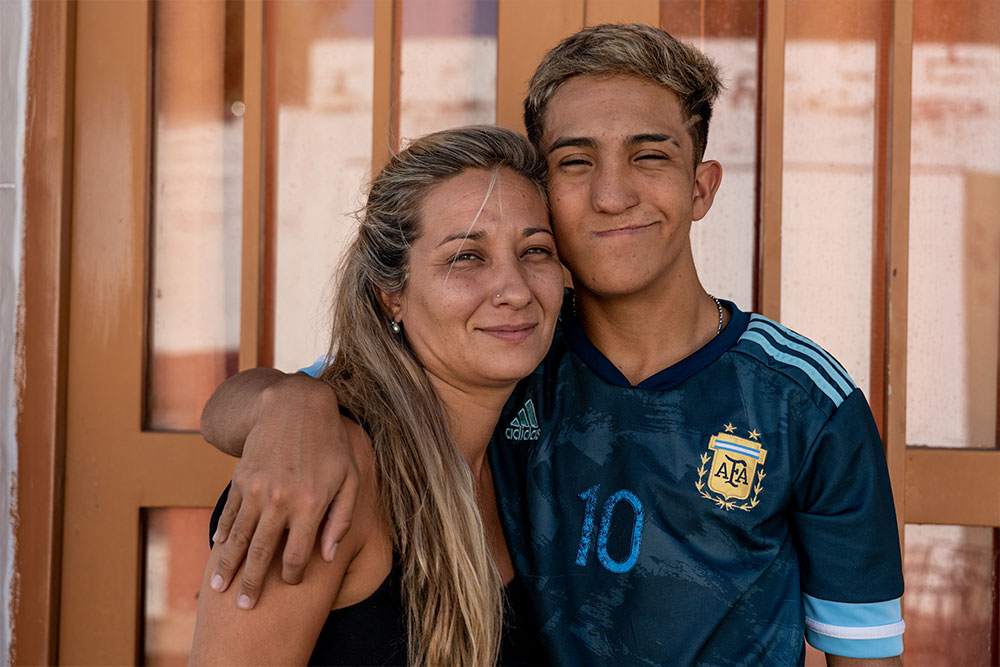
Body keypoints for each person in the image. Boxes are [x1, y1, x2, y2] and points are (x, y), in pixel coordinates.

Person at [201, 25, 904, 665]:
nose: (611, 194)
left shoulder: (805, 401)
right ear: (546, 189)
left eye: (650, 156)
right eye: (575, 162)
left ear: (702, 186)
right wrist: (292, 404)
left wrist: (291, 407)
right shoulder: (510, 350)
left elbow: (863, 652)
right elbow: (298, 396)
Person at [190, 125, 563, 665]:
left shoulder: (522, 448)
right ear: (392, 295)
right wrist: (292, 400)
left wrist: (287, 397)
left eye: (535, 250)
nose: (516, 289)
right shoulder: (333, 472)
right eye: (465, 257)